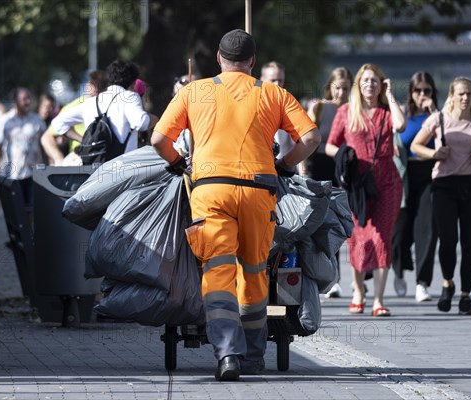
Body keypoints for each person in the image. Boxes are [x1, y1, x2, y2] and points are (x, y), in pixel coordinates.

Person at [151, 29, 320, 381]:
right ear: (253, 62)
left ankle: (227, 354)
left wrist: (179, 162)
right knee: (255, 272)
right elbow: (312, 137)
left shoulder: (194, 91)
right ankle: (253, 356)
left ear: (218, 59)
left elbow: (158, 138)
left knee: (218, 272)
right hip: (258, 192)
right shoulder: (273, 92)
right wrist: (286, 163)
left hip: (210, 192)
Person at [325, 63, 406, 317]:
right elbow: (330, 145)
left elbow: (401, 126)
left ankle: (379, 300)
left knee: (382, 237)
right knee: (358, 238)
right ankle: (359, 291)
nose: (370, 84)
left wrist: (391, 95)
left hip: (387, 181)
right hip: (356, 183)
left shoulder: (386, 111)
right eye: (365, 80)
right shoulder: (347, 112)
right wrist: (344, 155)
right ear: (358, 85)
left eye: (375, 81)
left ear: (381, 84)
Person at [410, 76, 471, 315]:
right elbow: (415, 145)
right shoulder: (438, 119)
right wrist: (434, 153)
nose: (465, 98)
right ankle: (448, 283)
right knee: (448, 240)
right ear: (452, 95)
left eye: (469, 93)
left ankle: (466, 297)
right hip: (443, 185)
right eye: (460, 93)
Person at [300, 66, 353, 299]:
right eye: (338, 88)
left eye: (346, 88)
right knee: (324, 223)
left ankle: (355, 274)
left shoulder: (354, 110)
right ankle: (331, 278)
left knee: (344, 223)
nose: (341, 93)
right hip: (321, 165)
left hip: (346, 166)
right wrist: (303, 168)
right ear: (330, 87)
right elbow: (306, 137)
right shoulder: (320, 108)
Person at [41, 61, 157, 165]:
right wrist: (155, 119)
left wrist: (83, 140)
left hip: (95, 168)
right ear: (132, 83)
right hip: (123, 168)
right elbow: (141, 123)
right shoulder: (129, 96)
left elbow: (58, 123)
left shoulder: (91, 103)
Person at [391, 71, 439, 302]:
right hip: (404, 173)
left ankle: (423, 282)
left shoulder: (438, 116)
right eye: (418, 90)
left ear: (432, 93)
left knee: (427, 227)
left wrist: (433, 113)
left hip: (430, 173)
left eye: (426, 90)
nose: (422, 95)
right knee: (400, 231)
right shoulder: (404, 114)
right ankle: (399, 271)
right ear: (411, 92)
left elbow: (446, 140)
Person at [0, 87, 47, 207]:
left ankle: (30, 227)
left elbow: (44, 145)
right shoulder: (4, 121)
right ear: (15, 101)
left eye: (28, 99)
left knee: (31, 208)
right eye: (24, 99)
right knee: (13, 210)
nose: (27, 102)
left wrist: (48, 166)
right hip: (10, 173)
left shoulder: (38, 121)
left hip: (33, 173)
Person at [260, 61, 296, 161]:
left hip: (281, 170)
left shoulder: (290, 107)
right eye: (273, 80)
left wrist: (302, 173)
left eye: (280, 81)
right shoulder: (252, 106)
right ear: (262, 80)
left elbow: (298, 143)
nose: (277, 84)